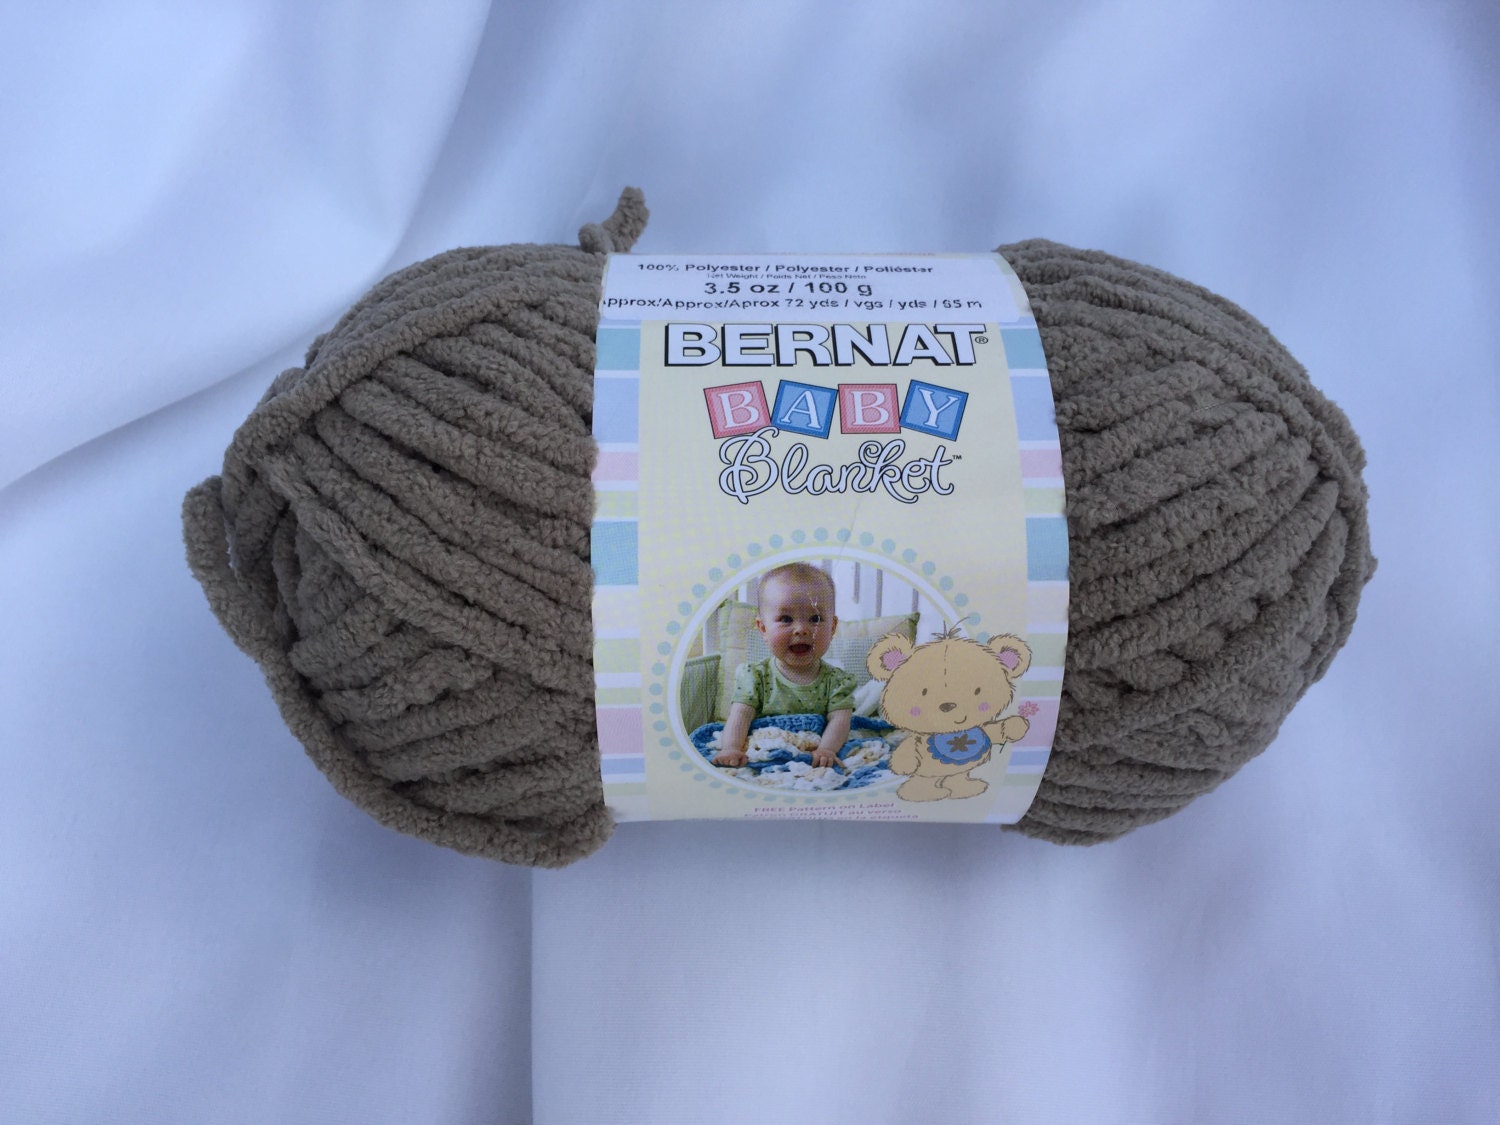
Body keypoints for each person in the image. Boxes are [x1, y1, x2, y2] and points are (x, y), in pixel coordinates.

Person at [711, 562, 856, 770]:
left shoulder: (838, 682)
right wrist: (731, 748)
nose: (801, 629)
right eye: (786, 619)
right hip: (764, 750)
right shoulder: (755, 676)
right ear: (763, 628)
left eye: (815, 618)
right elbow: (740, 715)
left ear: (832, 628)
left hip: (813, 754)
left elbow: (840, 721)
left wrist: (827, 749)